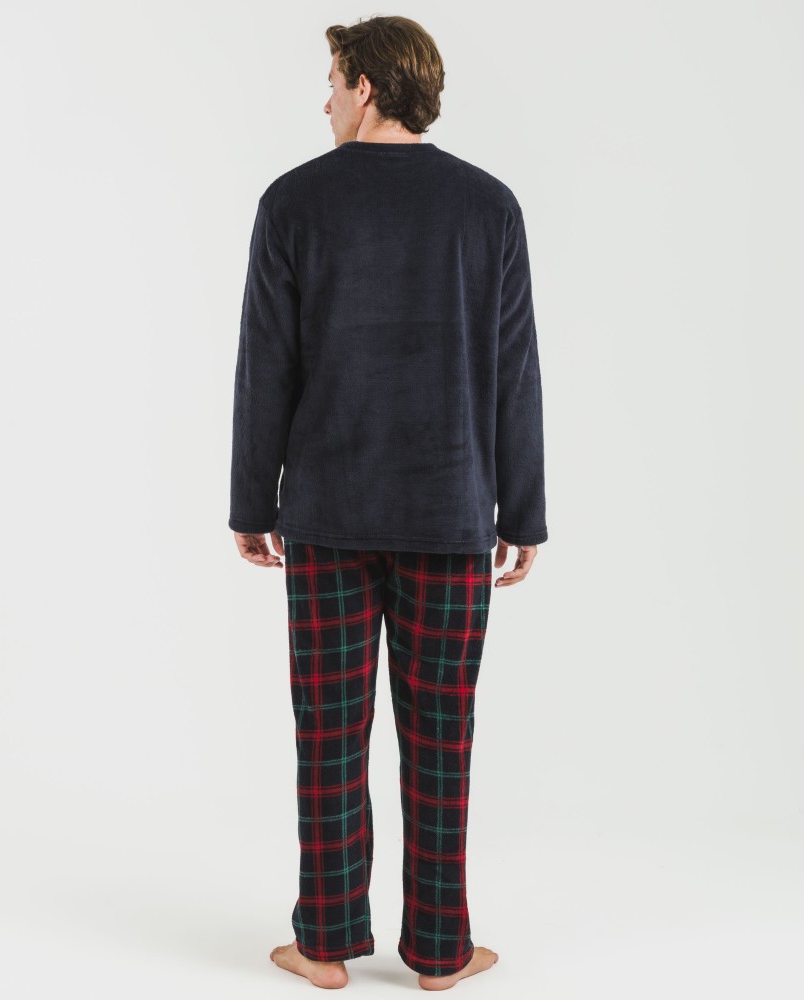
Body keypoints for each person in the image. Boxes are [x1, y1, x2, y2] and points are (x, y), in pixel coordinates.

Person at [228, 15, 547, 991]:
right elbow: (514, 370)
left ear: (366, 85)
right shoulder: (487, 206)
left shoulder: (293, 202)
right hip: (451, 515)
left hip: (328, 514)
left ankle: (324, 943)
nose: (324, 98)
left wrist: (251, 501)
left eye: (332, 80)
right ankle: (440, 953)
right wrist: (522, 513)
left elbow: (265, 368)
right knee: (441, 741)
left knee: (328, 736)